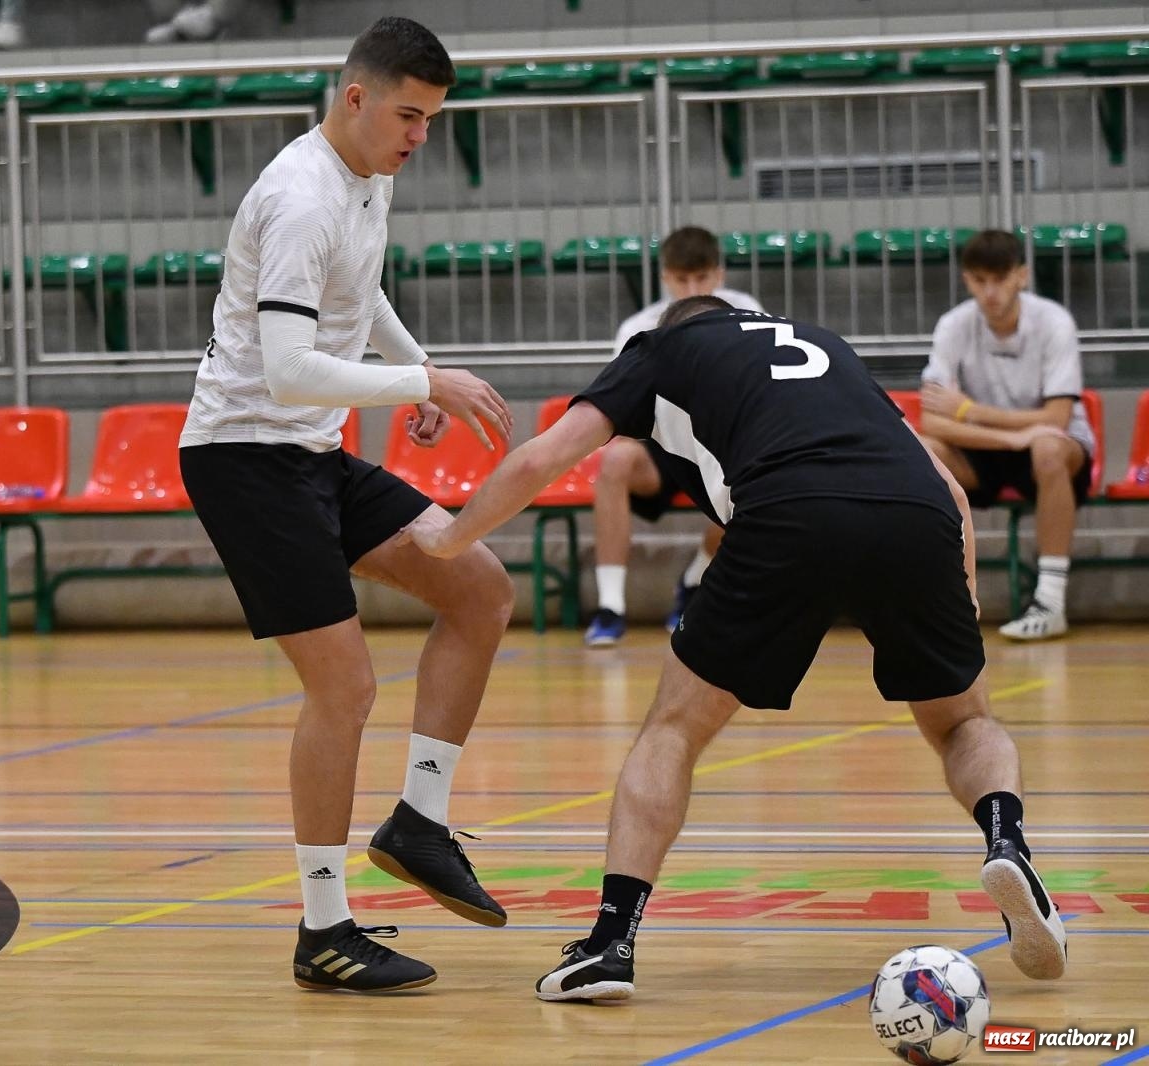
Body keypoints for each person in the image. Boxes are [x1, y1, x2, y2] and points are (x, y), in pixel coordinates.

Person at [403, 296, 1068, 1001]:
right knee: (965, 720)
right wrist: (961, 589)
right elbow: (947, 488)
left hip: (788, 511)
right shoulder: (825, 344)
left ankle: (609, 945)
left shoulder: (660, 352)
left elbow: (541, 457)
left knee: (674, 729)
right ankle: (1006, 841)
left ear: (673, 327)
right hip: (915, 513)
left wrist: (452, 538)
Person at [179, 16, 516, 992]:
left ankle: (417, 820)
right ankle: (323, 928)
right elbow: (285, 371)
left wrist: (409, 363)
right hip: (245, 456)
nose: (419, 136)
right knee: (346, 686)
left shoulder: (369, 174)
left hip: (311, 454)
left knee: (479, 587)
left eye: (433, 119)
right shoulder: (298, 198)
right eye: (408, 115)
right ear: (355, 97)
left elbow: (356, 298)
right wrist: (425, 388)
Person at [584, 226, 763, 646]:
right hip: (664, 445)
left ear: (719, 274)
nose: (690, 288)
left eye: (700, 278)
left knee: (758, 479)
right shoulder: (639, 327)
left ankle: (696, 577)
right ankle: (611, 606)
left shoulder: (747, 312)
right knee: (614, 461)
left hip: (722, 446)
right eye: (681, 279)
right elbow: (621, 406)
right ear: (665, 277)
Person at [918, 229, 1093, 641]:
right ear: (966, 280)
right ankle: (936, 593)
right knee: (925, 451)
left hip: (1054, 450)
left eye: (1000, 279)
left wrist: (969, 410)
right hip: (988, 450)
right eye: (980, 280)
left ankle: (1050, 601)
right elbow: (933, 424)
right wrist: (1013, 436)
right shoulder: (953, 325)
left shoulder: (1054, 322)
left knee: (1048, 447)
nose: (990, 291)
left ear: (1022, 276)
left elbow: (1057, 416)